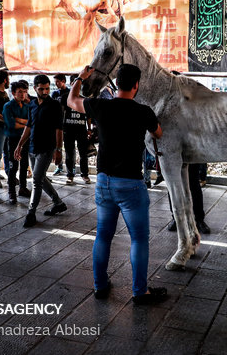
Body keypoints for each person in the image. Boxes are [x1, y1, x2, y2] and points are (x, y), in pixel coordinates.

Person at [68, 64, 167, 305]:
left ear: (116, 84)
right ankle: (139, 291)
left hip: (104, 182)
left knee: (103, 235)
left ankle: (100, 286)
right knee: (139, 239)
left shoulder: (100, 106)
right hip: (131, 185)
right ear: (136, 85)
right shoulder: (143, 112)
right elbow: (159, 133)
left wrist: (81, 77)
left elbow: (72, 100)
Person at [15, 75, 67, 228]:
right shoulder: (32, 105)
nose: (44, 91)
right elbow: (29, 127)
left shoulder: (54, 105)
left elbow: (59, 130)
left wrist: (59, 150)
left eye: (47, 88)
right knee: (40, 178)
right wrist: (20, 145)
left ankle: (31, 213)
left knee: (36, 180)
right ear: (35, 88)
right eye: (41, 89)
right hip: (32, 147)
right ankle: (58, 203)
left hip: (47, 147)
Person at [3, 81, 31, 204]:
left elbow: (31, 123)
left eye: (25, 92)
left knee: (24, 165)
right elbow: (11, 124)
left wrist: (20, 120)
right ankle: (11, 193)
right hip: (13, 140)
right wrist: (25, 123)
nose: (23, 94)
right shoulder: (8, 106)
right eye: (20, 92)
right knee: (13, 166)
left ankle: (23, 188)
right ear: (13, 93)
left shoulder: (27, 106)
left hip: (25, 139)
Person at [61, 74, 91, 185]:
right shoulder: (65, 97)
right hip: (68, 129)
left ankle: (85, 174)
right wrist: (61, 129)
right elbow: (61, 113)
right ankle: (70, 175)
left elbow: (88, 115)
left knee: (83, 153)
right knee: (69, 153)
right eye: (75, 82)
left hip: (81, 129)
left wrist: (89, 128)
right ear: (71, 84)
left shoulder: (84, 98)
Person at [167, 163, 210, 234]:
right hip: (172, 156)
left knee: (193, 182)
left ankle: (199, 219)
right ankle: (175, 218)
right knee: (173, 185)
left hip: (190, 155)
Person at [51, 74, 69, 176]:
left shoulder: (69, 92)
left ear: (63, 81)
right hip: (57, 123)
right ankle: (59, 166)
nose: (56, 84)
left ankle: (71, 169)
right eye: (55, 82)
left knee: (68, 146)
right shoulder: (54, 94)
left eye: (58, 81)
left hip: (67, 123)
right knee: (57, 145)